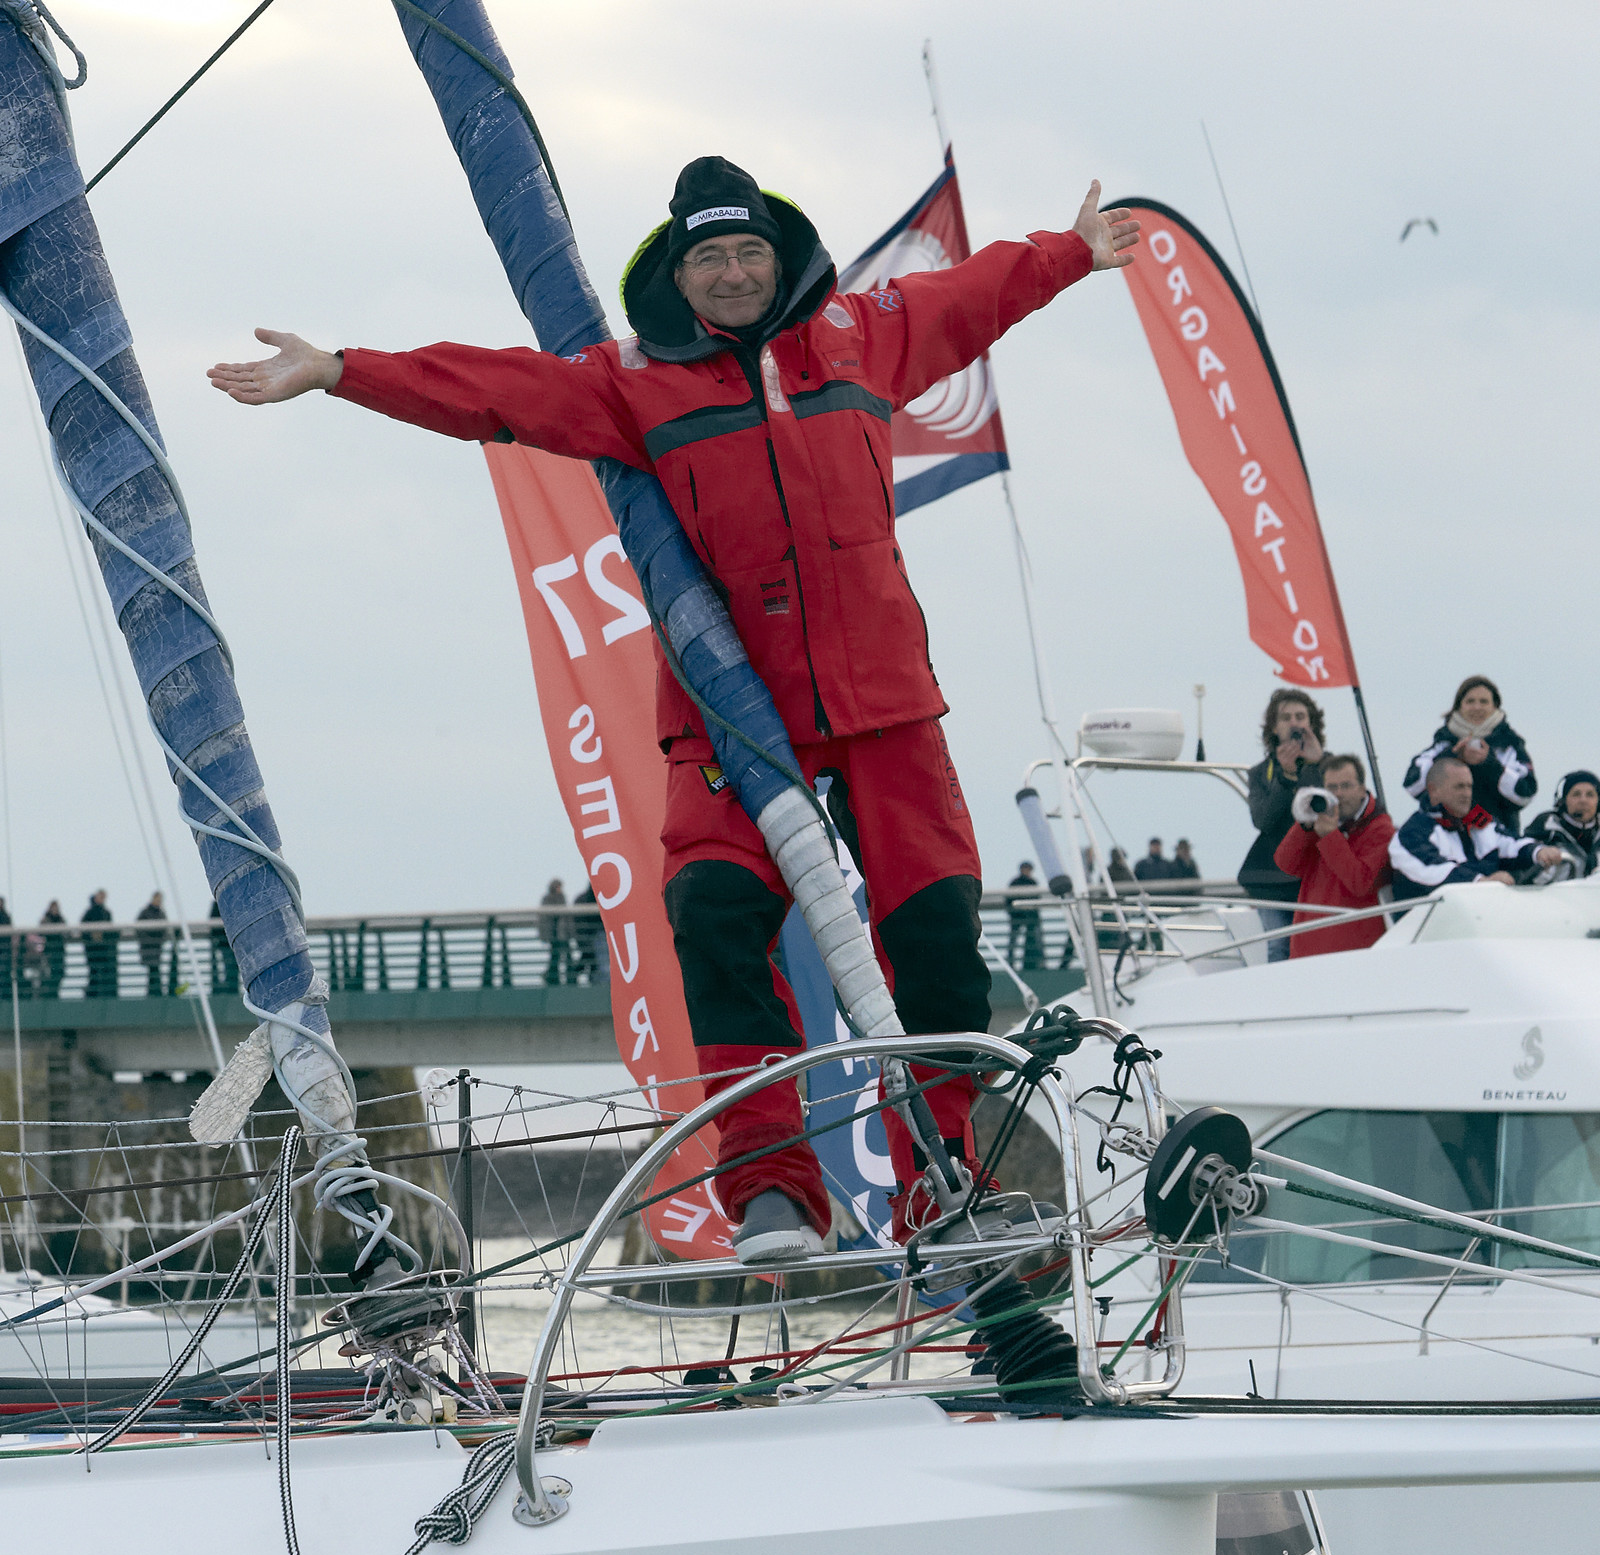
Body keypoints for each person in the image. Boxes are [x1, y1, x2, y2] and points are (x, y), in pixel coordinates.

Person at [208, 158, 1139, 1265]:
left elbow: (978, 293)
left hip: (886, 702)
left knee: (936, 938)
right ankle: (775, 1194)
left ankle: (936, 1192)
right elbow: (494, 390)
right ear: (679, 273)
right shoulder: (633, 383)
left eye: (749, 251)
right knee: (711, 920)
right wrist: (343, 370)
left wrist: (1072, 250)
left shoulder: (862, 335)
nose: (736, 273)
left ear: (778, 253)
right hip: (730, 718)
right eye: (711, 257)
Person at [1389, 756, 1564, 903]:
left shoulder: (1481, 822)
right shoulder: (1412, 834)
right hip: (1430, 928)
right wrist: (1481, 882)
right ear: (1434, 791)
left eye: (1469, 786)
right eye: (1459, 787)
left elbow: (1510, 843)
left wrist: (1538, 851)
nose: (1466, 794)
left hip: (1482, 918)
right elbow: (1434, 871)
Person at [1271, 753, 1394, 957]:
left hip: (1354, 954)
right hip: (1307, 951)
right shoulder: (1320, 823)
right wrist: (1304, 826)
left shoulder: (1380, 829)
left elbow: (1360, 882)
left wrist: (1330, 837)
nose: (1339, 794)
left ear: (1362, 789)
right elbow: (1285, 864)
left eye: (1346, 786)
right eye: (1332, 787)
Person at [1239, 688, 1329, 961]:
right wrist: (1285, 777)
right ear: (1274, 728)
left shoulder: (1330, 766)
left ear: (1311, 724)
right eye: (1286, 717)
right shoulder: (1260, 773)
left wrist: (1316, 765)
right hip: (1271, 875)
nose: (1294, 723)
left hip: (1315, 871)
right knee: (1278, 945)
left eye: (1300, 716)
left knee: (1313, 944)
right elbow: (1263, 820)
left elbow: (1328, 811)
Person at [1403, 676, 1536, 835]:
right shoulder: (1443, 743)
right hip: (1444, 840)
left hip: (1497, 843)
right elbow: (1413, 786)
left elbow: (1523, 795)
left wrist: (1489, 764)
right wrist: (1452, 757)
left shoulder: (1509, 746)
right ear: (1459, 706)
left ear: (1495, 706)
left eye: (1484, 702)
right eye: (1470, 701)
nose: (1477, 707)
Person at [1520, 771, 1600, 880]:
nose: (1583, 800)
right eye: (1576, 794)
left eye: (1590, 795)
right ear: (1563, 800)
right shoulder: (1546, 826)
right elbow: (1521, 857)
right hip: (1549, 895)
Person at [1005, 860, 1044, 972]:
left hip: (1028, 917)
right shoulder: (1018, 883)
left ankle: (1032, 963)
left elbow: (1036, 900)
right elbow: (1009, 900)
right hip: (1018, 917)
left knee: (1032, 940)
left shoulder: (1031, 882)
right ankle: (1011, 963)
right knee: (1015, 941)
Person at [539, 878, 572, 986]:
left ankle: (558, 976)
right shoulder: (550, 899)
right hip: (555, 933)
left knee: (561, 955)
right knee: (556, 956)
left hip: (561, 933)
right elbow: (546, 917)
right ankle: (554, 977)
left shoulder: (559, 898)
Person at [135, 890, 168, 996]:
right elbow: (139, 929)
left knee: (155, 970)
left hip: (156, 947)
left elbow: (164, 930)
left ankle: (156, 991)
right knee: (152, 969)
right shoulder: (145, 913)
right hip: (148, 947)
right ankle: (154, 992)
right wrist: (149, 939)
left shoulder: (161, 913)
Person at [38, 900, 66, 999]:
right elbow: (40, 933)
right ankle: (49, 994)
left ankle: (55, 993)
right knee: (48, 973)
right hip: (50, 951)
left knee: (59, 973)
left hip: (59, 951)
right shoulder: (46, 919)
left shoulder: (61, 919)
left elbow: (66, 933)